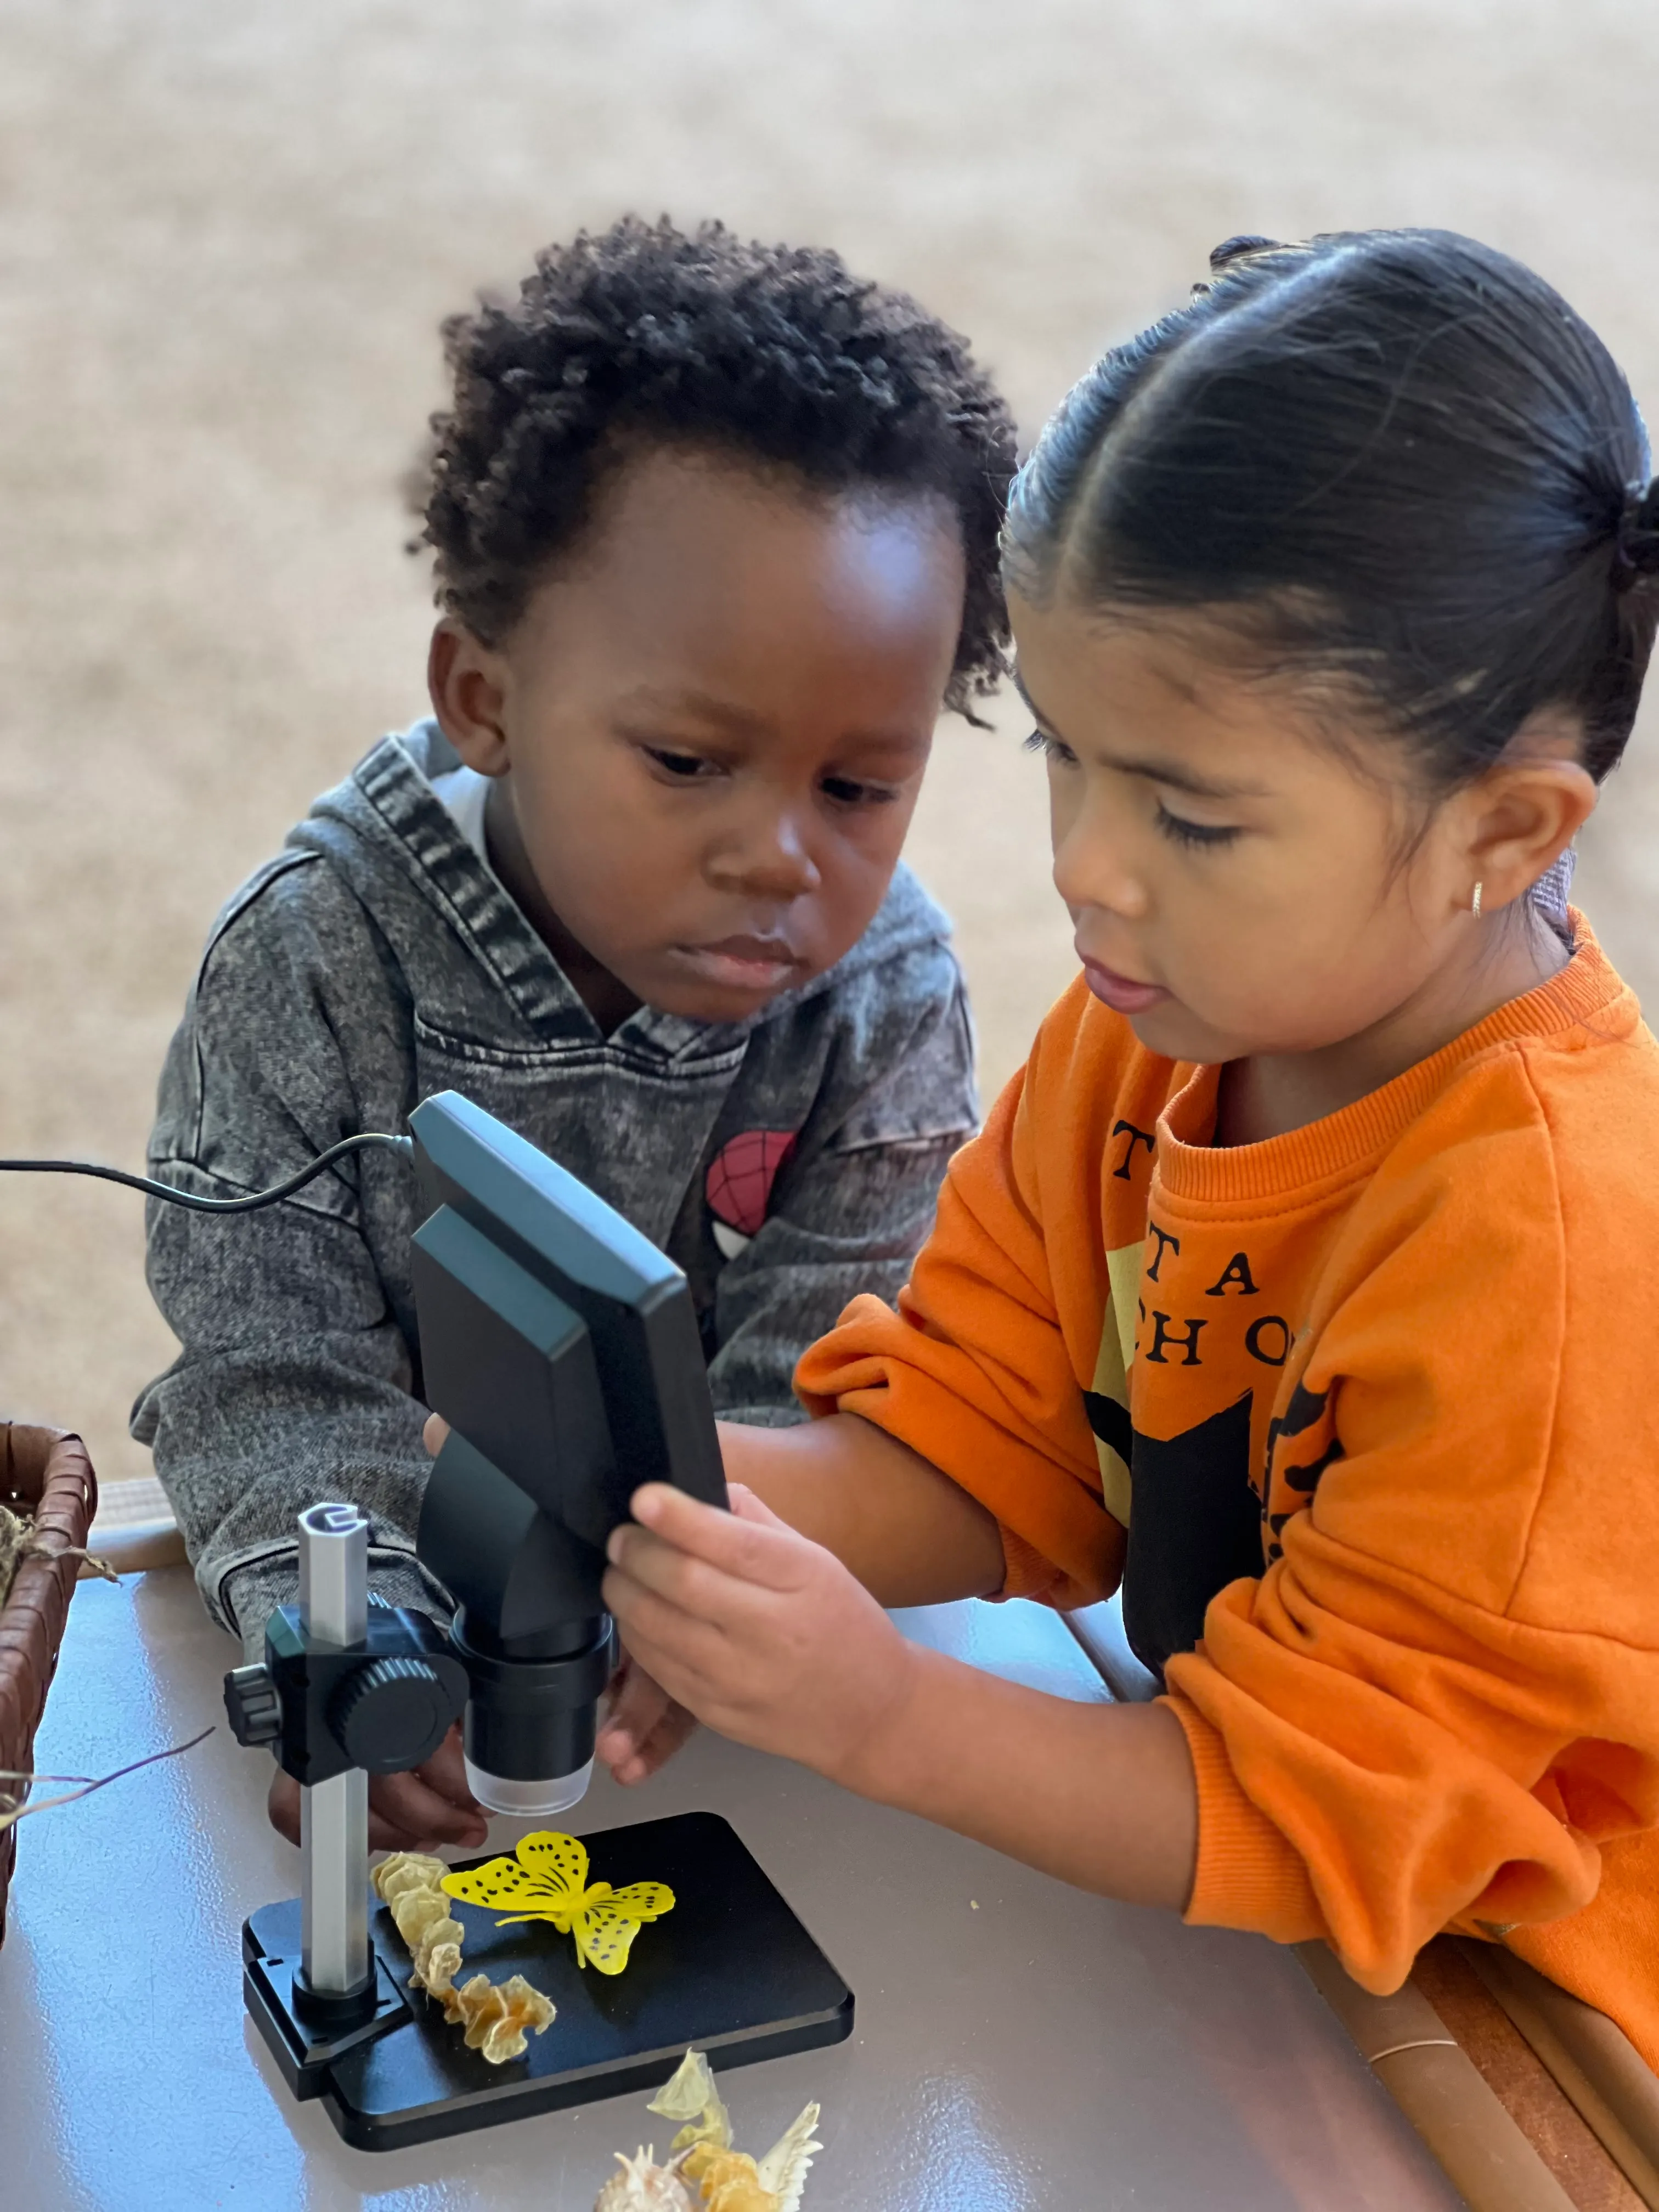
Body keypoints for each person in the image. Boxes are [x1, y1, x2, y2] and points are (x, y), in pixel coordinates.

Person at [596, 230, 1659, 2067]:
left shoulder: (1553, 1244)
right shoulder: (1160, 1019)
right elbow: (997, 1445)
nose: (1089, 863)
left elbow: (1310, 1808)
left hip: (1538, 2049)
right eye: (1064, 757)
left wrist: (878, 1715)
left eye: (1194, 815)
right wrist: (668, 1496)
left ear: (1506, 827)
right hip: (1262, 1948)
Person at [133, 216, 1016, 1850]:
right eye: (689, 761)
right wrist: (350, 1636)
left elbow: (820, 1374)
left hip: (690, 1717)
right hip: (399, 1635)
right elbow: (266, 1368)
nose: (781, 855)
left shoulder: (883, 998)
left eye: (859, 787)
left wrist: (725, 1591)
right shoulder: (317, 958)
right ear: (484, 698)